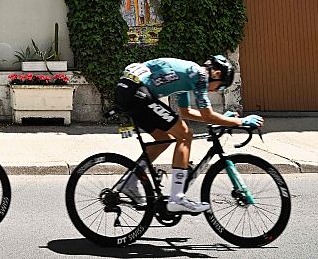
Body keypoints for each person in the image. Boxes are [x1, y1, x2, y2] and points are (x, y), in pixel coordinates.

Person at [113, 55, 263, 214]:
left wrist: (222, 119)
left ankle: (130, 181)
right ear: (216, 74)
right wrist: (241, 121)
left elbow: (186, 112)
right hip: (138, 92)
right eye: (220, 87)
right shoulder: (200, 76)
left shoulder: (188, 75)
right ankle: (176, 198)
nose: (215, 90)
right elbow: (208, 116)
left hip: (128, 90)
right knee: (185, 135)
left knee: (164, 139)